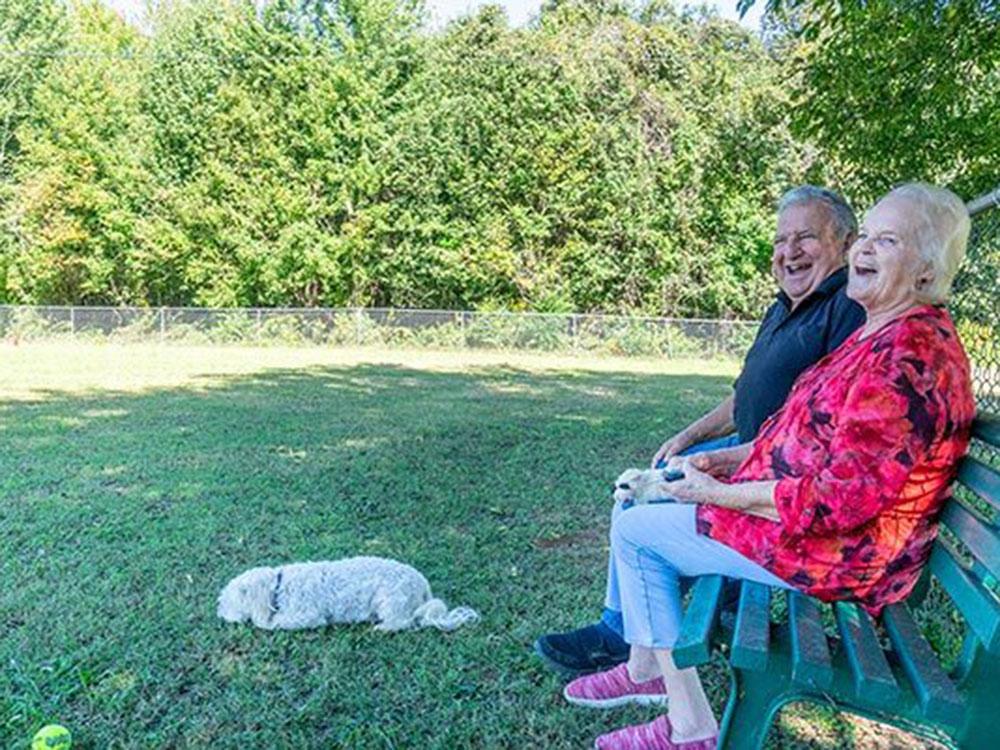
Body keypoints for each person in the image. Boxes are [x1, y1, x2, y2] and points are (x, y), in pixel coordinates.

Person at [559, 183, 976, 750]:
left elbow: (839, 502)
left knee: (637, 533)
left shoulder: (909, 356)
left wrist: (718, 494)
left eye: (888, 240)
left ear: (926, 272)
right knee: (639, 500)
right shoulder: (881, 334)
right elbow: (801, 439)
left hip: (844, 556)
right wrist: (724, 459)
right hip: (823, 533)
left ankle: (689, 727)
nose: (866, 251)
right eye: (868, 237)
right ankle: (647, 671)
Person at [536, 186, 866, 676]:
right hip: (744, 450)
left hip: (772, 472)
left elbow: (830, 429)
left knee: (637, 505)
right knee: (636, 484)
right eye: (781, 240)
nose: (789, 252)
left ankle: (623, 634)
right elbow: (743, 397)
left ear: (846, 242)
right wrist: (688, 437)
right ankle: (627, 622)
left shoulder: (846, 307)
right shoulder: (783, 307)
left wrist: (727, 465)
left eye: (806, 238)